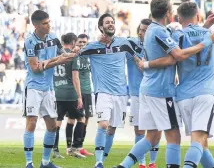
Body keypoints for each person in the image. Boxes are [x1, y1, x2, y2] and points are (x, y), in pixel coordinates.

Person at [113, 0, 214, 168]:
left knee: (152, 137)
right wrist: (206, 39)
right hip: (163, 91)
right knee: (177, 137)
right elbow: (175, 57)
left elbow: (186, 37)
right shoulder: (162, 31)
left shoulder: (166, 32)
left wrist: (204, 27)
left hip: (152, 89)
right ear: (169, 13)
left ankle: (123, 165)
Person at [79, 13, 140, 168]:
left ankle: (102, 162)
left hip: (121, 93)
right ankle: (98, 162)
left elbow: (139, 57)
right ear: (101, 27)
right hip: (103, 91)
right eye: (107, 22)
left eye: (112, 22)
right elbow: (75, 52)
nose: (111, 24)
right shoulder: (93, 46)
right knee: (103, 125)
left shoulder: (124, 43)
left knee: (112, 129)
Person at [23, 10, 76, 168]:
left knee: (52, 126)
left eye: (49, 22)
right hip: (33, 87)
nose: (49, 26)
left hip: (49, 88)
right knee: (31, 122)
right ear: (36, 25)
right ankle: (28, 163)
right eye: (45, 23)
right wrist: (56, 61)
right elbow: (35, 68)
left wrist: (73, 53)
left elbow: (63, 55)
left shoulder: (54, 38)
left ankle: (45, 162)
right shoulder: (30, 41)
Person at [173, 2, 214, 168]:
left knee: (201, 143)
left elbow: (190, 41)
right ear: (197, 16)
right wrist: (204, 26)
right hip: (205, 93)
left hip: (183, 96)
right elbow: (200, 37)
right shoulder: (210, 34)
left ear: (178, 18)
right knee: (199, 140)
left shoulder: (177, 36)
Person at [126, 19, 159, 168]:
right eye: (140, 29)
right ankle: (142, 163)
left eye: (145, 30)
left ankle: (152, 162)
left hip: (154, 91)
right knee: (138, 129)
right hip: (135, 92)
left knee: (155, 128)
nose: (141, 32)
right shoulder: (130, 43)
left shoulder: (156, 46)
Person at [52, 33, 86, 159]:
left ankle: (55, 150)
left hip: (57, 93)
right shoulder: (73, 56)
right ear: (73, 42)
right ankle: (74, 148)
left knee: (58, 121)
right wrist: (80, 97)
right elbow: (75, 77)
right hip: (70, 94)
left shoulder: (56, 55)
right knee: (81, 118)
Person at [66, 34, 94, 156]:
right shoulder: (74, 55)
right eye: (80, 42)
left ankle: (80, 146)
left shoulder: (90, 55)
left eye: (84, 42)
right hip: (76, 92)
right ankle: (70, 147)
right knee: (73, 118)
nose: (82, 44)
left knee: (86, 118)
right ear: (76, 43)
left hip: (88, 91)